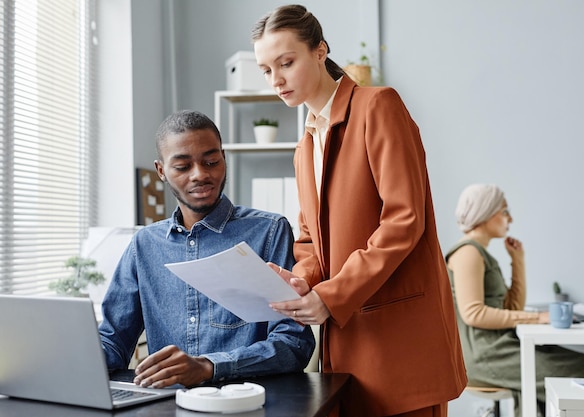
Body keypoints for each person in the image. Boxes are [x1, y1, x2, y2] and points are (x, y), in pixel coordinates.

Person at [251, 5, 467, 417]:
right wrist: (299, 282)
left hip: (399, 343)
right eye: (265, 70)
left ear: (320, 51)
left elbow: (405, 219)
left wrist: (330, 297)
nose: (276, 80)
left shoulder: (377, 106)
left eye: (286, 62)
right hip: (345, 346)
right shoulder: (304, 146)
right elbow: (311, 239)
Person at [98, 110, 315, 389]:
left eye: (211, 161)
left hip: (248, 402)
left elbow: (293, 343)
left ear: (223, 158)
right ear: (161, 170)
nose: (200, 174)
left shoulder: (269, 232)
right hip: (167, 404)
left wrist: (209, 367)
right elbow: (113, 339)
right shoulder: (145, 244)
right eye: (182, 167)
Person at [446, 184, 584, 417]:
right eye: (504, 211)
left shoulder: (481, 253)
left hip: (499, 348)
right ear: (485, 212)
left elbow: (513, 308)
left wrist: (518, 260)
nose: (509, 218)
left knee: (577, 367)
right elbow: (474, 314)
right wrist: (537, 318)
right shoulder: (468, 253)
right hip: (486, 356)